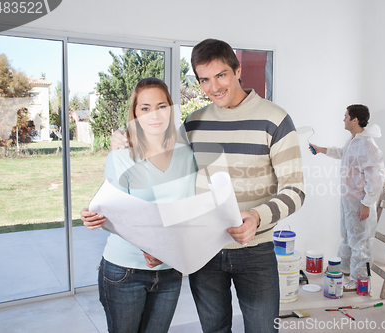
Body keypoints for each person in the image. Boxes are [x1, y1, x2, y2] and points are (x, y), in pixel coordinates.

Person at [110, 39, 305, 333]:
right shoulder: (193, 123)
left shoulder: (275, 120)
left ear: (237, 70)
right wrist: (125, 139)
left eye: (221, 75)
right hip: (204, 250)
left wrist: (256, 216)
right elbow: (161, 157)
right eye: (204, 79)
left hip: (254, 250)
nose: (214, 87)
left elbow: (295, 191)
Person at [80, 77, 196, 333]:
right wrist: (95, 217)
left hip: (170, 271)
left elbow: (187, 210)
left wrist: (166, 249)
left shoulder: (186, 155)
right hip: (124, 271)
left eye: (161, 106)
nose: (154, 115)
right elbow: (116, 216)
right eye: (145, 108)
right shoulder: (120, 156)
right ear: (134, 113)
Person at [309, 104, 385, 291]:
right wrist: (321, 149)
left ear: (355, 120)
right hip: (348, 198)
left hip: (359, 200)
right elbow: (342, 154)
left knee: (360, 240)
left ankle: (360, 280)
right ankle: (344, 268)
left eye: (346, 116)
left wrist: (367, 204)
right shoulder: (354, 141)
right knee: (348, 235)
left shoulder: (367, 145)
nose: (343, 119)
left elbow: (375, 179)